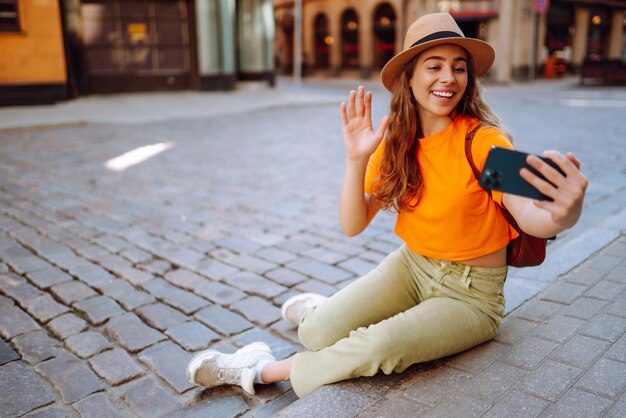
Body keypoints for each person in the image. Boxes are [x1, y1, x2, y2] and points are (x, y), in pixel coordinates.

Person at [185, 12, 587, 398]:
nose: (449, 78)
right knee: (316, 331)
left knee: (379, 345)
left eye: (458, 67)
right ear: (409, 77)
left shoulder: (484, 140)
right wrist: (356, 157)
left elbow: (531, 216)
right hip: (412, 266)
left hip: (470, 296)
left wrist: (563, 212)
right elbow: (352, 224)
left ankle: (254, 370)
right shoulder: (397, 142)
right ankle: (324, 312)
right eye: (434, 66)